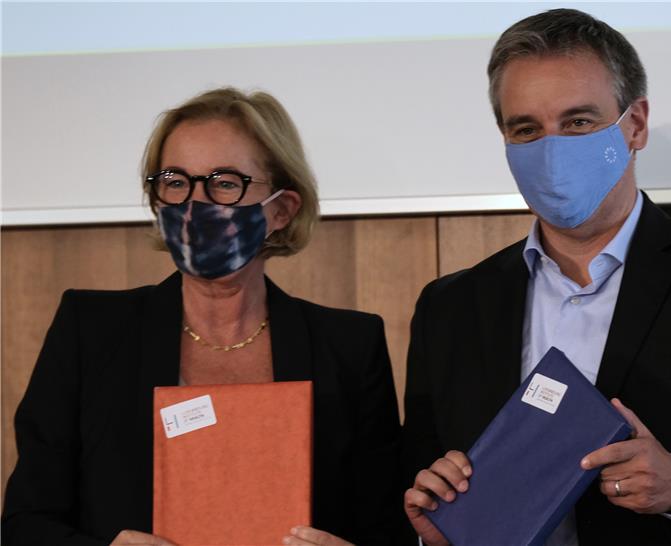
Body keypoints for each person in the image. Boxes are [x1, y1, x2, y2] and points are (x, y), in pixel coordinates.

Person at [401, 8, 671, 546]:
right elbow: (418, 491)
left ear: (636, 125)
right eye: (526, 129)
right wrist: (435, 529)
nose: (551, 149)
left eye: (578, 122)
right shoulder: (449, 308)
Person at [2, 87, 401, 546]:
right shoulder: (90, 331)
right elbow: (25, 524)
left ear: (282, 211)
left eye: (225, 182)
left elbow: (383, 529)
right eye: (175, 181)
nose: (194, 204)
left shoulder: (348, 346)